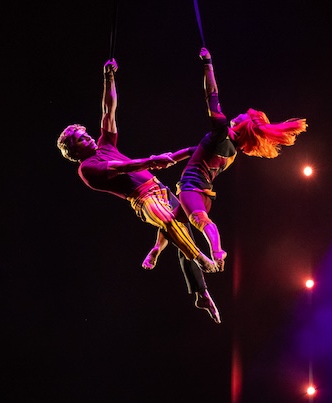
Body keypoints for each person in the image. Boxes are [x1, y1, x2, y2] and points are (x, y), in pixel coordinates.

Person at [56, 58, 221, 323]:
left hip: (160, 188)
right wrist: (156, 159)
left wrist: (109, 77)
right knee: (169, 221)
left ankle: (173, 264)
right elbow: (125, 167)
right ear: (75, 150)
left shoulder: (104, 143)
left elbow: (109, 110)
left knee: (184, 224)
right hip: (143, 199)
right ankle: (201, 260)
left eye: (85, 134)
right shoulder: (87, 168)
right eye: (80, 139)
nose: (87, 137)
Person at [142, 47, 308, 273]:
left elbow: (211, 95)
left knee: (199, 222)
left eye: (243, 116)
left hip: (192, 190)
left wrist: (207, 63)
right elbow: (196, 150)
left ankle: (218, 251)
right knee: (171, 221)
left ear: (243, 125)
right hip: (203, 194)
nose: (238, 114)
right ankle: (156, 250)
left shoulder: (222, 134)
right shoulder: (232, 150)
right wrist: (172, 157)